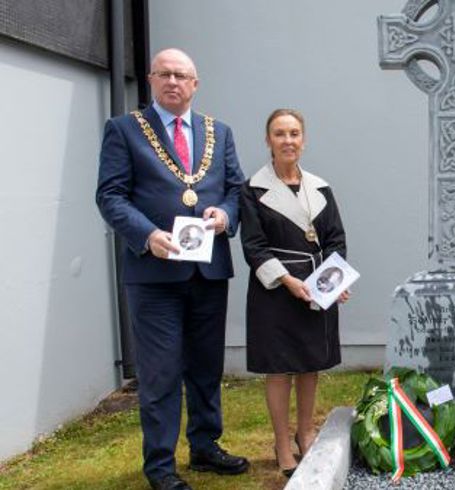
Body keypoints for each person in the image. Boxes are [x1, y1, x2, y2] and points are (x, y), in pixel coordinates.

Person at [96, 48, 248, 490]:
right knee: (160, 373)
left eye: (182, 75)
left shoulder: (219, 132)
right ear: (150, 79)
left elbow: (236, 190)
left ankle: (205, 447)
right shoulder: (123, 130)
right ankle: (161, 467)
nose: (173, 82)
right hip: (154, 275)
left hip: (208, 270)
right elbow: (111, 196)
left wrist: (224, 215)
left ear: (195, 84)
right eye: (164, 74)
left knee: (205, 367)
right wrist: (146, 235)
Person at [240, 109, 349, 477]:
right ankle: (282, 442)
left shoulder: (320, 188)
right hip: (276, 289)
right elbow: (254, 247)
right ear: (268, 140)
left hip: (317, 285)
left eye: (294, 133)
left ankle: (305, 433)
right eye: (280, 133)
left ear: (304, 140)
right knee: (279, 369)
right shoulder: (252, 189)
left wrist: (334, 283)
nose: (288, 140)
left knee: (309, 364)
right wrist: (288, 281)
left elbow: (335, 240)